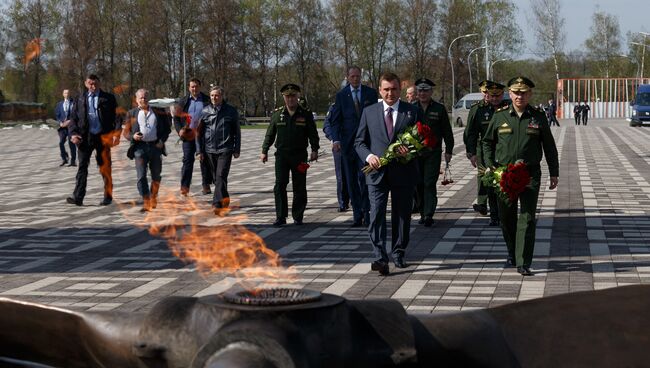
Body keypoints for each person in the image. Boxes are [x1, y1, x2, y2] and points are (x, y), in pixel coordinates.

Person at [482, 77, 559, 276]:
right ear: (510, 93)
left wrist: (554, 172)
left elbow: (549, 146)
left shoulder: (538, 117)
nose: (519, 96)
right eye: (516, 92)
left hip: (529, 174)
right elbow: (487, 142)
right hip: (504, 174)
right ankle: (512, 252)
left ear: (530, 94)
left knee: (527, 218)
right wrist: (490, 166)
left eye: (523, 92)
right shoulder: (499, 116)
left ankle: (523, 261)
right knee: (506, 218)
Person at [355, 72, 421, 276]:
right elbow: (359, 142)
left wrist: (409, 150)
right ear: (380, 90)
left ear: (399, 90)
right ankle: (379, 256)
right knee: (376, 215)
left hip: (404, 173)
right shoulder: (369, 112)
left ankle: (399, 252)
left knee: (402, 215)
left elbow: (424, 142)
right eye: (386, 89)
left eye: (393, 89)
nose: (390, 93)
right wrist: (369, 157)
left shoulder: (412, 111)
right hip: (376, 174)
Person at [261, 83, 319, 226]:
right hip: (282, 156)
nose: (291, 99)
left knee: (299, 185)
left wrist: (315, 149)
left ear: (297, 97)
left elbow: (313, 133)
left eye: (293, 96)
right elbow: (270, 133)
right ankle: (281, 216)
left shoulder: (305, 114)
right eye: (288, 97)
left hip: (300, 156)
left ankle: (298, 215)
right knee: (280, 184)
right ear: (284, 98)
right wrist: (264, 150)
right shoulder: (277, 114)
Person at [329, 66, 379, 227]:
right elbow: (335, 121)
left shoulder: (370, 93)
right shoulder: (342, 96)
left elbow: (376, 117)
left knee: (365, 179)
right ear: (348, 78)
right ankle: (357, 215)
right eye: (352, 77)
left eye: (358, 76)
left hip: (366, 144)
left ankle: (367, 212)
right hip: (348, 146)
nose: (355, 79)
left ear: (361, 77)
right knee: (351, 181)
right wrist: (336, 140)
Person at [66, 74, 119, 206]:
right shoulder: (79, 98)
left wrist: (116, 134)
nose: (92, 86)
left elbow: (117, 117)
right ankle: (78, 197)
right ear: (85, 83)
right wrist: (73, 134)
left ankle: (108, 196)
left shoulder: (108, 98)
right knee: (82, 167)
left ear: (99, 83)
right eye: (90, 83)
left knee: (105, 167)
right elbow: (73, 119)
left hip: (103, 137)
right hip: (85, 137)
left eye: (95, 83)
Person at [464, 80, 507, 226]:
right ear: (487, 94)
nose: (495, 99)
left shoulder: (508, 108)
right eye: (492, 95)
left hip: (504, 151)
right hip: (484, 151)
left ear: (502, 95)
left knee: (504, 183)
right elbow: (471, 132)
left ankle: (504, 213)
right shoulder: (479, 109)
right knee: (490, 182)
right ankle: (494, 215)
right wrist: (471, 152)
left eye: (498, 96)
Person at [413, 78, 454, 227]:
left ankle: (429, 213)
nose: (422, 93)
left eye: (426, 90)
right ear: (417, 92)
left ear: (431, 92)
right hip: (415, 154)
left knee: (429, 183)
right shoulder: (411, 108)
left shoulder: (439, 108)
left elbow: (447, 132)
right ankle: (423, 212)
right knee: (418, 184)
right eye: (420, 90)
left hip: (433, 152)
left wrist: (449, 150)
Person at [124, 89, 171, 212]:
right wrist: (132, 136)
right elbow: (126, 132)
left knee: (156, 175)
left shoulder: (158, 111)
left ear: (148, 98)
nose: (143, 100)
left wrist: (162, 141)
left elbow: (167, 129)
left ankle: (153, 196)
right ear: (136, 99)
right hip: (139, 148)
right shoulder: (132, 113)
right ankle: (146, 200)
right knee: (141, 176)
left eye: (145, 97)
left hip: (155, 147)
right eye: (140, 98)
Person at [197, 85, 241, 215]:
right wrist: (199, 151)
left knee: (221, 175)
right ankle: (224, 200)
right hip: (210, 150)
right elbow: (198, 133)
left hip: (225, 149)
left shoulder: (231, 111)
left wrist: (236, 148)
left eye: (216, 95)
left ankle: (216, 204)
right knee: (217, 179)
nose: (214, 98)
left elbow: (237, 132)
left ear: (222, 96)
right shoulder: (205, 111)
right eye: (212, 95)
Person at [172, 78, 213, 196]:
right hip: (188, 135)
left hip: (203, 135)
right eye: (192, 87)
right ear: (189, 88)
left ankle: (206, 185)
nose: (194, 89)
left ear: (200, 87)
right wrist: (179, 130)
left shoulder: (206, 100)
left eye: (196, 86)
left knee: (204, 160)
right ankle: (184, 187)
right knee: (187, 161)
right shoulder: (183, 101)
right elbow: (176, 117)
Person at [323, 103, 349, 212]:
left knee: (359, 175)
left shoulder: (361, 104)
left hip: (356, 144)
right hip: (340, 145)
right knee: (341, 176)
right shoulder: (335, 107)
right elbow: (327, 125)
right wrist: (334, 138)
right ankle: (343, 202)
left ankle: (359, 202)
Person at [54, 89, 77, 167]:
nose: (66, 94)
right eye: (65, 93)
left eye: (68, 93)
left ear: (70, 94)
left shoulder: (74, 103)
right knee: (61, 143)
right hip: (62, 128)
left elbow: (77, 113)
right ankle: (64, 158)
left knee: (72, 144)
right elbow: (57, 115)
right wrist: (60, 122)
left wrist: (71, 121)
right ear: (63, 94)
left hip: (71, 126)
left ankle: (73, 161)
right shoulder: (59, 104)